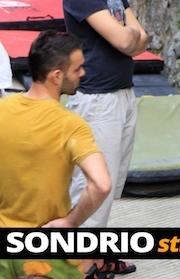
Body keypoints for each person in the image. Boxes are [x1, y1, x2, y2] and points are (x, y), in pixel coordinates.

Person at [63, 0, 148, 277]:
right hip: (98, 99)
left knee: (112, 183)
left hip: (123, 95)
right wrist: (129, 35)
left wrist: (131, 36)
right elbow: (124, 37)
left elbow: (141, 38)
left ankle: (95, 255)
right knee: (92, 185)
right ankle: (79, 265)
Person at [0, 30, 112, 279]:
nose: (83, 73)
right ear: (57, 76)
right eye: (77, 69)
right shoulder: (71, 125)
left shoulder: (2, 110)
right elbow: (101, 184)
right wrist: (72, 222)